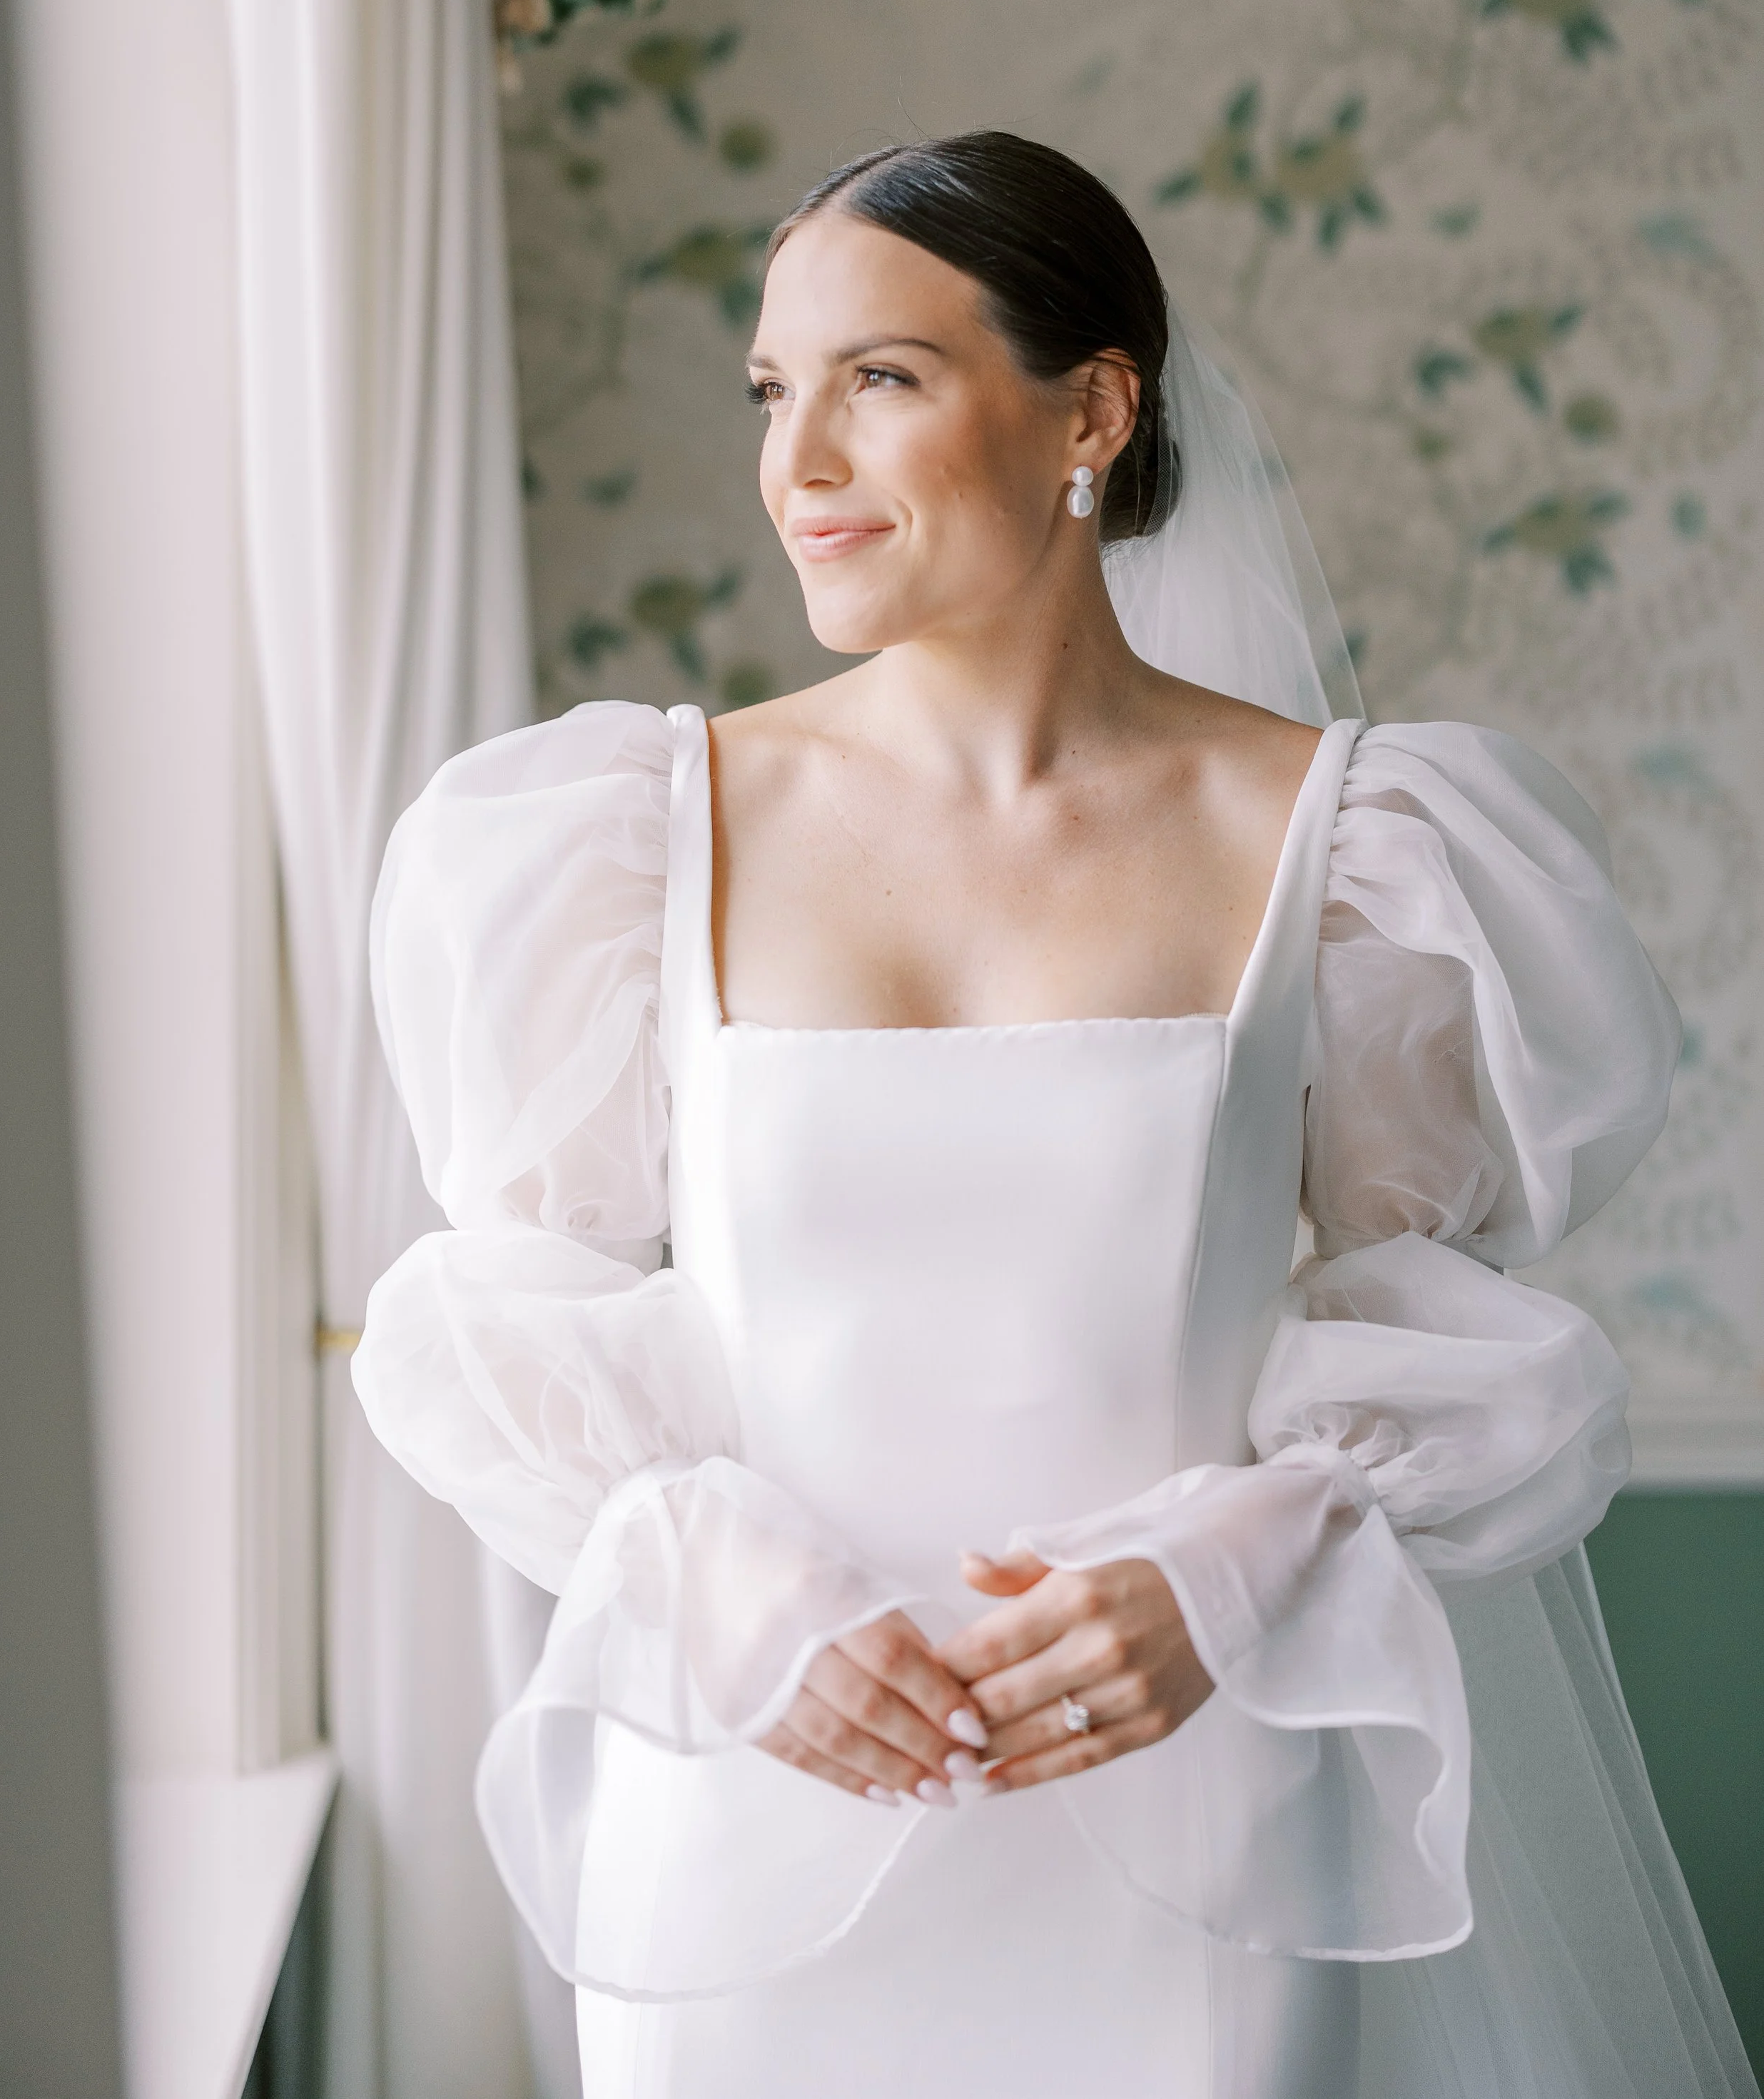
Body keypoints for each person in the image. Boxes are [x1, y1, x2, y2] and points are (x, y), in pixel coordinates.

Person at [353, 134, 1756, 2098]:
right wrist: (709, 1572)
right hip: (759, 1805)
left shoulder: (1360, 846)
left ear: (1090, 410)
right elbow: (514, 1323)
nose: (798, 461)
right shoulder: (626, 838)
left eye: (880, 378)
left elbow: (1421, 1328)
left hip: (1190, 1818)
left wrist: (1230, 1572)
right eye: (771, 389)